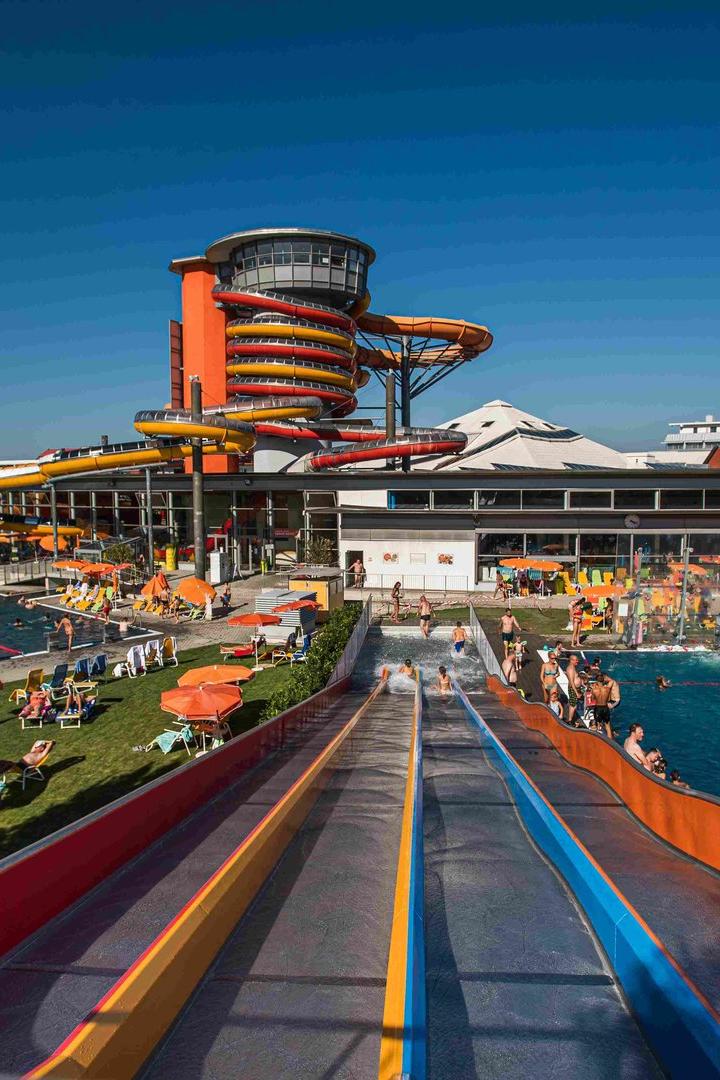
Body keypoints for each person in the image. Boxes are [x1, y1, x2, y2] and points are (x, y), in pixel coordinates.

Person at [590, 672, 620, 737]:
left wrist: (594, 687)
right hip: (605, 708)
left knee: (598, 726)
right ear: (603, 679)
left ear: (596, 680)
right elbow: (612, 681)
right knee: (608, 727)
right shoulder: (607, 688)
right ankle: (610, 743)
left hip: (598, 708)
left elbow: (592, 699)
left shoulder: (594, 690)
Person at [565, 653, 582, 726]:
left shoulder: (573, 667)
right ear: (571, 660)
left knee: (573, 704)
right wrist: (576, 692)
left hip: (575, 688)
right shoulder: (570, 669)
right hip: (573, 689)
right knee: (573, 705)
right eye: (576, 660)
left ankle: (571, 719)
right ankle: (570, 721)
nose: (577, 661)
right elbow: (571, 682)